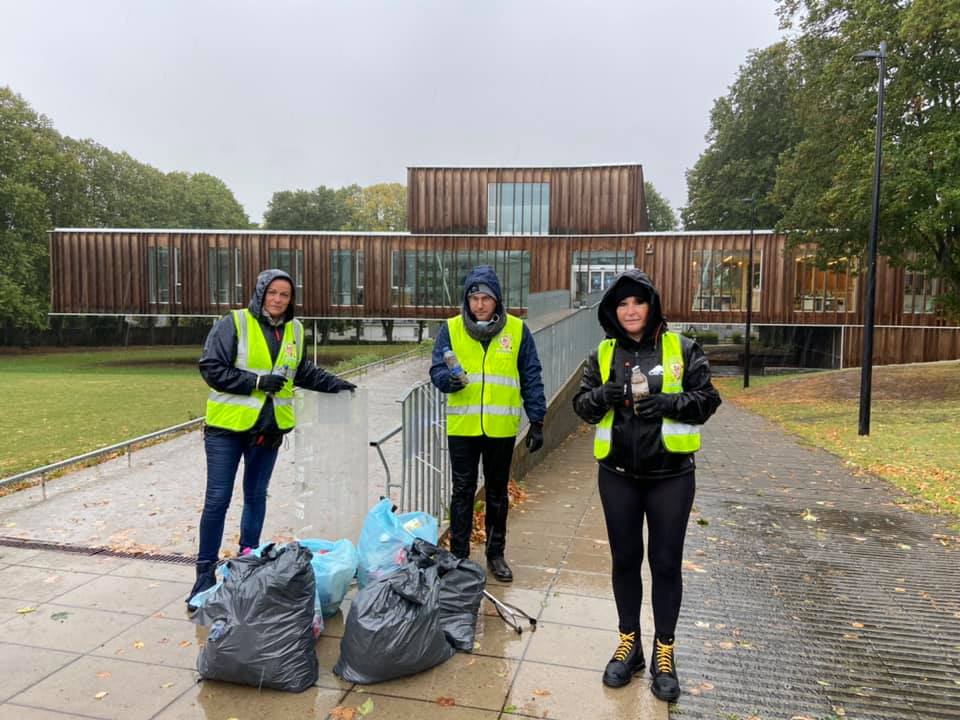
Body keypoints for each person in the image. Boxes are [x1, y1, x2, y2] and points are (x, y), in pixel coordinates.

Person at [572, 268, 720, 701]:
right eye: (622, 303)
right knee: (624, 561)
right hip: (617, 476)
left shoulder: (683, 348)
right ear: (613, 312)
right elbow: (582, 406)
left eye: (638, 302)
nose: (630, 310)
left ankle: (664, 651)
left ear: (651, 306)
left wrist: (666, 403)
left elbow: (708, 400)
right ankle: (629, 644)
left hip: (671, 477)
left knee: (666, 564)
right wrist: (604, 397)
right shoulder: (602, 354)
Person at [187, 268, 356, 608]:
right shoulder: (233, 323)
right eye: (273, 293)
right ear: (261, 292)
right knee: (218, 499)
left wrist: (335, 383)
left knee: (255, 497)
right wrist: (256, 381)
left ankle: (248, 565)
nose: (278, 299)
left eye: (285, 295)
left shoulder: (294, 329)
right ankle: (204, 576)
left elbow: (301, 371)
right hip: (227, 430)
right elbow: (211, 368)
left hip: (268, 429)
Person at [429, 265, 546, 583]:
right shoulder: (451, 329)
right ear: (466, 300)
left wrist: (537, 419)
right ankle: (459, 556)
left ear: (497, 301)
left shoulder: (518, 331)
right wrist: (447, 381)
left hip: (500, 428)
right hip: (463, 428)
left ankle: (496, 554)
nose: (479, 304)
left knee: (496, 492)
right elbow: (437, 369)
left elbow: (531, 375)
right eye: (474, 297)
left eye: (486, 298)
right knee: (463, 491)